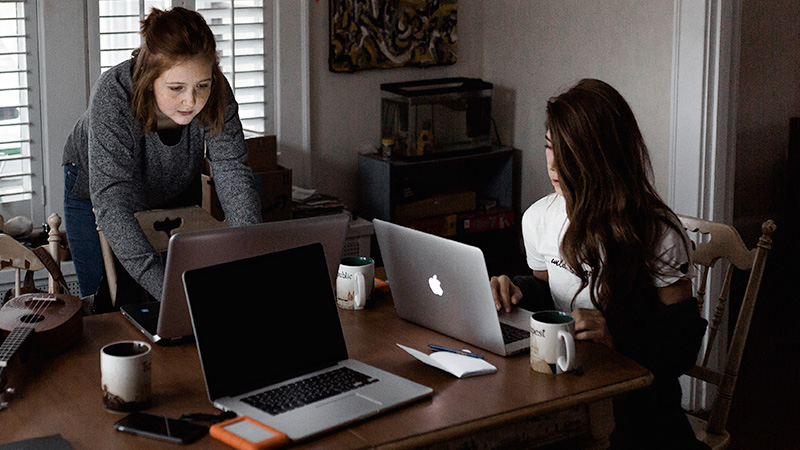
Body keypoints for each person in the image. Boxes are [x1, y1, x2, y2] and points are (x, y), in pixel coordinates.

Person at [490, 79, 709, 449]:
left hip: (639, 410)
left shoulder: (657, 234)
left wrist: (616, 338)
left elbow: (683, 344)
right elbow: (547, 290)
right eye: (549, 147)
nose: (554, 163)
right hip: (567, 388)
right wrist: (515, 289)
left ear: (603, 156)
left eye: (569, 151)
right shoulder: (538, 219)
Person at [62, 7, 261, 303]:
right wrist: (170, 294)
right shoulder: (112, 95)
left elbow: (232, 170)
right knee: (109, 305)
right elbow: (113, 203)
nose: (191, 101)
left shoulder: (216, 90)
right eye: (176, 87)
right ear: (147, 76)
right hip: (96, 191)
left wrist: (251, 259)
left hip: (172, 184)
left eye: (201, 86)